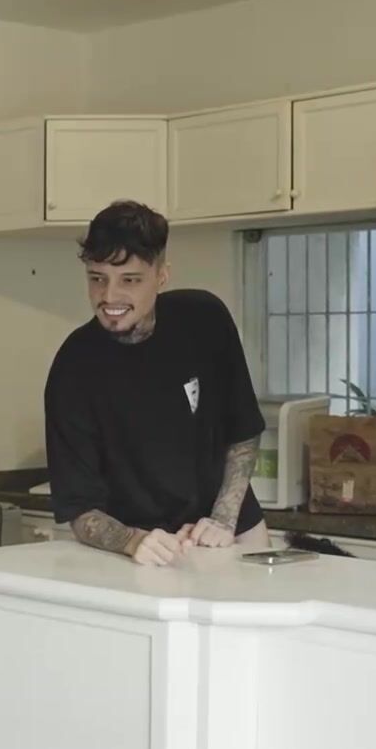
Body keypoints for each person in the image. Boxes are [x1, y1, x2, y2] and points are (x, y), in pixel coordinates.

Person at [44, 200, 268, 567]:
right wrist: (133, 541)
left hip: (228, 526)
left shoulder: (205, 319)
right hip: (141, 546)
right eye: (97, 278)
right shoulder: (74, 366)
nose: (109, 297)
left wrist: (223, 520)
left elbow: (243, 431)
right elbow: (80, 509)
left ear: (162, 276)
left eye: (129, 280)